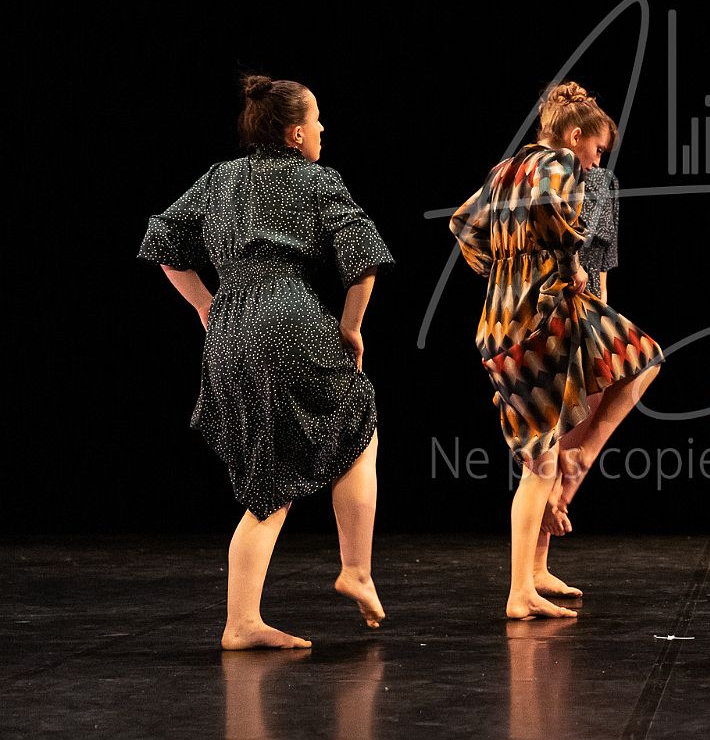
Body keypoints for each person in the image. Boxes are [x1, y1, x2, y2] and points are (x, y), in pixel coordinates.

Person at [138, 73, 394, 649]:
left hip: (229, 331)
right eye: (317, 120)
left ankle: (241, 621)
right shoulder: (316, 179)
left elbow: (163, 242)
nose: (324, 129)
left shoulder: (220, 178)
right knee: (359, 422)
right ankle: (355, 569)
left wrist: (206, 305)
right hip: (288, 318)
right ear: (295, 133)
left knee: (267, 475)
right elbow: (365, 259)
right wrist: (351, 328)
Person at [449, 81, 664, 620]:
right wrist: (568, 267)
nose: (596, 161)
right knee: (542, 463)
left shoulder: (504, 170)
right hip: (540, 318)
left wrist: (502, 270)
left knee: (632, 364)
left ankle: (536, 570)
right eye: (596, 149)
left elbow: (463, 225)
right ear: (574, 137)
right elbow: (554, 212)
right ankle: (520, 590)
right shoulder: (560, 164)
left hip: (501, 321)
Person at [578, 164, 620, 303]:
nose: (597, 162)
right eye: (597, 152)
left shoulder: (605, 179)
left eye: (601, 153)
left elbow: (608, 245)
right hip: (561, 281)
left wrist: (602, 291)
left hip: (592, 286)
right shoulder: (555, 176)